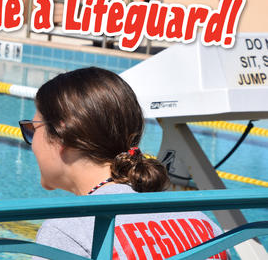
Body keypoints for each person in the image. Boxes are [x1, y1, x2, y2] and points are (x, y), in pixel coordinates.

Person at [20, 67, 228, 259]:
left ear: (62, 136)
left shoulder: (68, 232)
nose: (32, 142)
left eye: (32, 129)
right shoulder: (203, 224)